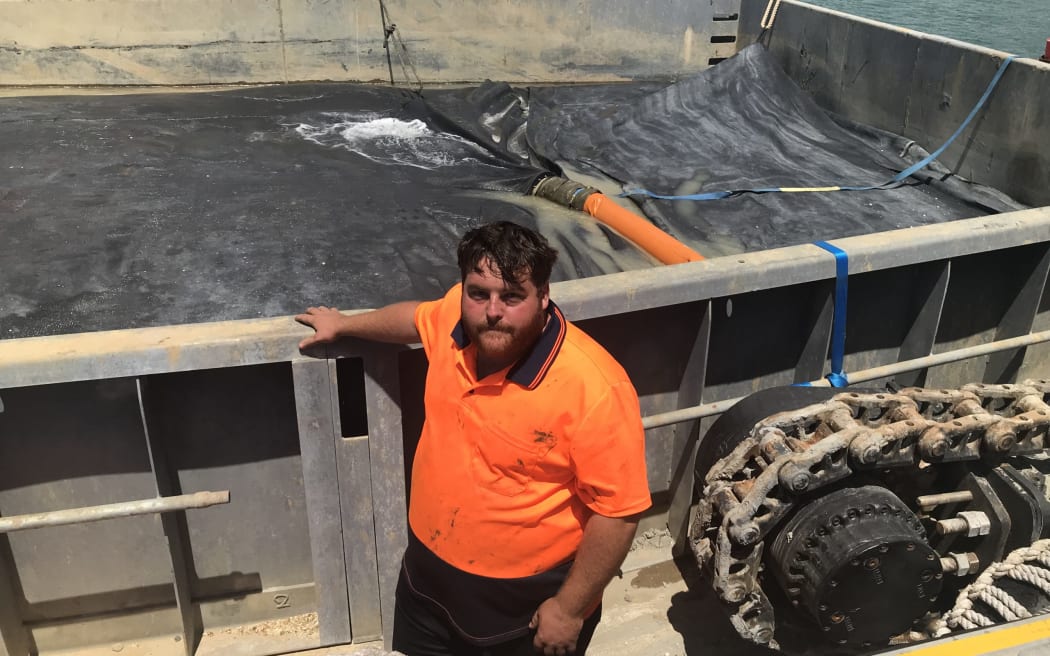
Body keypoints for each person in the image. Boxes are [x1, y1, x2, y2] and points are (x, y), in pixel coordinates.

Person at [297, 221, 650, 656]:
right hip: (427, 578)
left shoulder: (594, 388)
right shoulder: (454, 318)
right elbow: (415, 318)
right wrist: (346, 325)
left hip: (522, 600)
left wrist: (571, 609)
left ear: (543, 296)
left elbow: (618, 513)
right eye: (478, 293)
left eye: (513, 296)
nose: (492, 310)